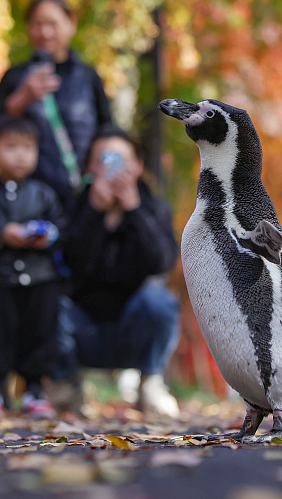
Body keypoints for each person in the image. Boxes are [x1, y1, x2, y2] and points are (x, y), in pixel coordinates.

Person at [55, 124, 181, 417]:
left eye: (120, 160)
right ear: (90, 166)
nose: (112, 168)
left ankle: (151, 383)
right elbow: (68, 267)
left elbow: (161, 264)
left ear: (137, 166)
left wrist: (134, 210)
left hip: (134, 328)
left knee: (159, 299)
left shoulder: (153, 207)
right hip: (83, 328)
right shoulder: (74, 206)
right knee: (47, 299)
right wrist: (95, 214)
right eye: (104, 159)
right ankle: (66, 387)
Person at [0, 115, 63, 419]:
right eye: (10, 147)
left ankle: (35, 389)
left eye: (27, 148)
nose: (20, 154)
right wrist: (1, 231)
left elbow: (62, 225)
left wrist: (48, 235)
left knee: (39, 332)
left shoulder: (44, 194)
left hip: (40, 277)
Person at [0, 0, 113, 205]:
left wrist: (102, 174)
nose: (45, 32)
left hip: (81, 194)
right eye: (37, 24)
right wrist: (22, 98)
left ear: (71, 24)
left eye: (52, 23)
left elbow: (108, 131)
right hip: (28, 196)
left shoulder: (88, 77)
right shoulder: (15, 77)